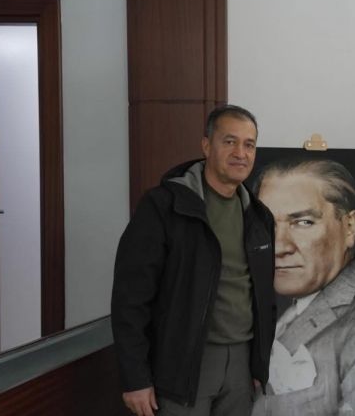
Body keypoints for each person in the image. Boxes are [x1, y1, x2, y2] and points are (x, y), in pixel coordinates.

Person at [111, 104, 276, 416]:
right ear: (206, 145)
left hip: (241, 367)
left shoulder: (259, 217)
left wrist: (259, 365)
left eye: (249, 144)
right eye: (229, 141)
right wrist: (135, 378)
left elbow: (265, 299)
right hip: (182, 365)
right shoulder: (164, 206)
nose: (240, 153)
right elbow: (130, 299)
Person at [251, 159, 355, 416]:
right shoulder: (285, 306)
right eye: (268, 224)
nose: (279, 246)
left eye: (303, 222)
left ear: (350, 227)